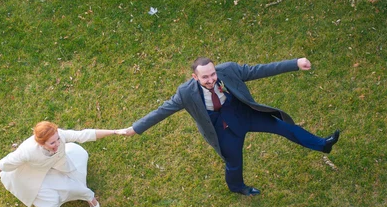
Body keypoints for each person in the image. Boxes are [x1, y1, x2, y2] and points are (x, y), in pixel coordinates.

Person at [123, 57, 340, 196]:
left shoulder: (229, 71)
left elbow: (260, 70)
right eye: (205, 77)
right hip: (222, 129)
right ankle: (238, 187)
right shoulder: (185, 93)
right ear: (195, 77)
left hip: (244, 114)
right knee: (234, 163)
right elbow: (163, 110)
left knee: (285, 127)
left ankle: (322, 145)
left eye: (213, 74)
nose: (211, 79)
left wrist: (295, 64)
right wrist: (136, 128)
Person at [0, 121, 127, 207]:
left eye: (58, 139)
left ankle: (89, 197)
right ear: (41, 143)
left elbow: (84, 134)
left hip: (57, 166)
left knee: (75, 185)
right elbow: (4, 163)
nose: (58, 144)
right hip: (35, 176)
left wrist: (115, 132)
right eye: (52, 142)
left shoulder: (60, 136)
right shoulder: (27, 151)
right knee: (51, 202)